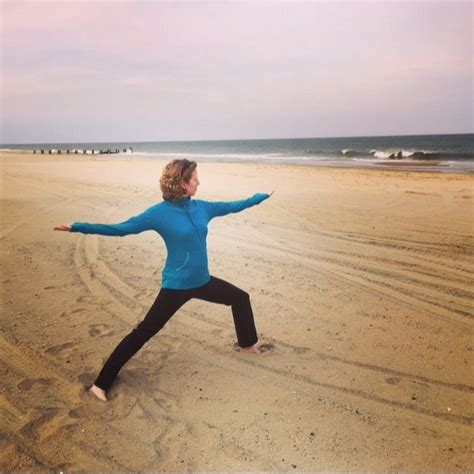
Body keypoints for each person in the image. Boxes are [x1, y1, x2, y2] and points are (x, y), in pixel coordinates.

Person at [54, 159, 273, 401]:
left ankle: (247, 345)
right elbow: (122, 228)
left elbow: (233, 205)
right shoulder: (159, 213)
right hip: (176, 287)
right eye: (194, 179)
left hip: (202, 281)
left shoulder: (202, 207)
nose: (198, 182)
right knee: (144, 332)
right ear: (182, 184)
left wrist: (259, 197)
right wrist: (78, 227)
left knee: (240, 298)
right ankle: (100, 385)